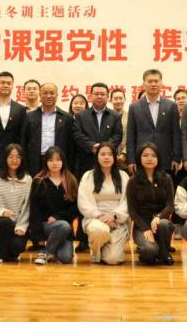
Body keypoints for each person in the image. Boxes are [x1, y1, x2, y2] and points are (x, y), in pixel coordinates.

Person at [72, 83, 123, 252]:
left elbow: (118, 135)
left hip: (108, 163)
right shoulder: (81, 116)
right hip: (86, 162)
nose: (99, 96)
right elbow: (77, 134)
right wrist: (92, 146)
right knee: (85, 198)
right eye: (96, 94)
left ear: (107, 96)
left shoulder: (114, 116)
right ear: (91, 96)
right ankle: (82, 239)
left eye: (103, 94)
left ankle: (109, 234)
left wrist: (104, 148)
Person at [77, 142, 130, 264]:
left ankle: (103, 244)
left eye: (110, 154)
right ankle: (96, 251)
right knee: (99, 230)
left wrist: (114, 216)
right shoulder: (88, 176)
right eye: (103, 154)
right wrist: (100, 216)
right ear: (97, 157)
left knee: (113, 259)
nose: (106, 157)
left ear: (115, 157)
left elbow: (128, 201)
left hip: (118, 221)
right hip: (96, 219)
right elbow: (83, 201)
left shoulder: (123, 176)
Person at [126, 69, 182, 177]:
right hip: (142, 159)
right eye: (150, 81)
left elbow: (176, 134)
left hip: (166, 159)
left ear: (161, 83)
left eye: (156, 81)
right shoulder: (134, 107)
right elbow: (131, 136)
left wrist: (176, 158)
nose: (153, 84)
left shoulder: (171, 106)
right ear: (144, 84)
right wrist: (131, 160)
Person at [126, 142, 175, 266]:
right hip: (141, 226)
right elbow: (132, 211)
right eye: (145, 155)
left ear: (158, 158)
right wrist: (145, 228)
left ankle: (164, 253)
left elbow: (170, 205)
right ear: (139, 158)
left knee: (164, 224)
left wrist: (159, 216)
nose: (149, 158)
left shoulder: (166, 178)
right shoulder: (133, 181)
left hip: (160, 223)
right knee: (149, 251)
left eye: (153, 155)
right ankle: (152, 251)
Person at [30, 146, 78, 265]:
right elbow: (34, 209)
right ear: (46, 162)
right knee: (63, 225)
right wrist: (38, 235)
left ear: (63, 161)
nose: (55, 163)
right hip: (45, 225)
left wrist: (57, 216)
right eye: (51, 160)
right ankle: (45, 253)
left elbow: (75, 208)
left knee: (65, 258)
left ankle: (50, 250)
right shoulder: (39, 181)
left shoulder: (71, 180)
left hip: (65, 227)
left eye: (58, 160)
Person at [0, 144, 32, 263]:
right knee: (5, 223)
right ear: (5, 158)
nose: (14, 160)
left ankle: (10, 253)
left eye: (18, 157)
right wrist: (2, 212)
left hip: (18, 221)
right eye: (11, 157)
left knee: (18, 246)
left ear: (22, 159)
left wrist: (21, 226)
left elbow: (27, 207)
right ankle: (0, 254)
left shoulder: (28, 180)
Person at [23, 83, 76, 177]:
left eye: (52, 93)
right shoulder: (29, 117)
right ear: (40, 95)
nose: (48, 96)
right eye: (45, 93)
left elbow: (71, 146)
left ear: (57, 95)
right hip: (36, 161)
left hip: (58, 162)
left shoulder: (67, 118)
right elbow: (24, 141)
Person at [110, 88, 128, 167]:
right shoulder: (106, 116)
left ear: (124, 99)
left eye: (120, 98)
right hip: (109, 157)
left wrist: (124, 154)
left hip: (126, 159)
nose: (118, 101)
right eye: (115, 99)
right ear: (110, 100)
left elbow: (132, 138)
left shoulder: (130, 116)